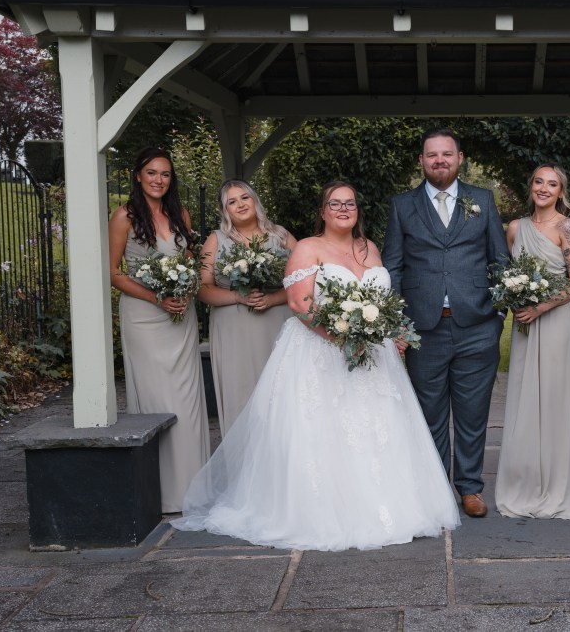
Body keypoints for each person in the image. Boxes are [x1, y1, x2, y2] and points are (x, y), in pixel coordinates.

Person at [173, 182, 459, 550]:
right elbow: (299, 303)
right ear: (322, 211)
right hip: (322, 353)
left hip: (373, 356)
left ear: (358, 210)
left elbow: (382, 300)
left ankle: (384, 505)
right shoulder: (307, 248)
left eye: (350, 203)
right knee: (326, 431)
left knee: (377, 429)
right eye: (334, 204)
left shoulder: (369, 248)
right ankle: (329, 511)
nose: (343, 209)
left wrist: (385, 332)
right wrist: (343, 338)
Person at [382, 128, 509, 518]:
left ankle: (470, 488)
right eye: (431, 155)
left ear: (459, 158)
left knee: (473, 413)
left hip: (477, 323)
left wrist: (498, 313)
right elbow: (394, 266)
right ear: (421, 161)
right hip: (424, 327)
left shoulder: (482, 200)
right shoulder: (403, 205)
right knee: (430, 413)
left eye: (446, 154)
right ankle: (435, 489)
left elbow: (499, 260)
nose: (439, 160)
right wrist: (399, 323)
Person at [495, 165, 570, 519]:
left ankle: (559, 482)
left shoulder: (566, 227)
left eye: (551, 184)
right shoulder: (515, 228)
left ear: (560, 191)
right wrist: (518, 299)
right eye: (538, 181)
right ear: (531, 185)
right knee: (526, 396)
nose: (543, 188)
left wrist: (541, 306)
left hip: (555, 321)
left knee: (555, 398)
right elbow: (508, 274)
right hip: (526, 325)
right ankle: (525, 480)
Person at [107, 147, 209, 514]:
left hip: (181, 315)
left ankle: (193, 489)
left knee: (187, 399)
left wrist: (185, 286)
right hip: (146, 316)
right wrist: (156, 297)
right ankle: (163, 493)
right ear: (138, 175)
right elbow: (113, 272)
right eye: (151, 172)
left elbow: (188, 261)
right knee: (157, 397)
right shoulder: (124, 217)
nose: (158, 180)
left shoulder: (179, 213)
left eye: (165, 174)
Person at [198, 180, 297, 436]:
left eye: (245, 198)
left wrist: (273, 299)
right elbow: (203, 288)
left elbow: (306, 282)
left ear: (255, 201)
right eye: (232, 201)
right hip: (234, 330)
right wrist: (239, 297)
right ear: (225, 211)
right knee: (240, 393)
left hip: (276, 325)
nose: (240, 205)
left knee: (279, 396)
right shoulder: (216, 240)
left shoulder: (281, 236)